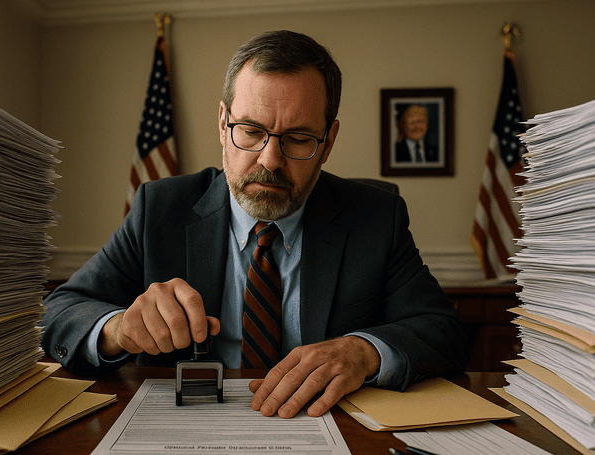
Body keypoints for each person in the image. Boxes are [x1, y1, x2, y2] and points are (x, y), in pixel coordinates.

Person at [41, 30, 469, 419]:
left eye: (299, 138)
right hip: (187, 430)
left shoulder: (376, 217)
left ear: (328, 142)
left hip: (327, 430)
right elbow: (59, 313)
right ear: (223, 124)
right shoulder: (161, 208)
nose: (269, 161)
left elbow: (443, 331)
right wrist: (119, 329)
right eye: (250, 130)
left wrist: (363, 353)